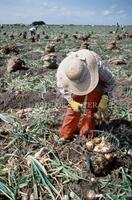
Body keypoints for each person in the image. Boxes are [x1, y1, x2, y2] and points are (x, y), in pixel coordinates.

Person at [56, 49, 116, 144]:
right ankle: (66, 135)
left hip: (96, 82)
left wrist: (105, 98)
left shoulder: (97, 66)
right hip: (75, 83)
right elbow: (62, 89)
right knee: (73, 108)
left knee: (91, 108)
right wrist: (71, 101)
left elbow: (111, 81)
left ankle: (86, 134)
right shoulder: (64, 74)